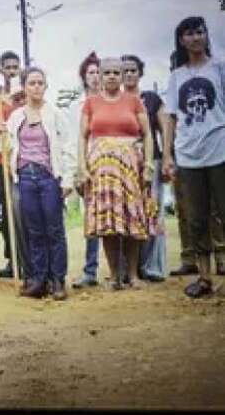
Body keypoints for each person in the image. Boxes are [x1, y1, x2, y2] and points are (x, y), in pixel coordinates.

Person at [77, 58, 155, 290]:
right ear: (99, 76)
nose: (111, 76)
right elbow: (82, 137)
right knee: (107, 222)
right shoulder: (91, 103)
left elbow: (148, 134)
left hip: (130, 168)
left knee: (131, 218)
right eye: (107, 72)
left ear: (122, 76)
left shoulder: (134, 102)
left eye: (115, 73)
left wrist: (149, 165)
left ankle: (132, 275)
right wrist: (82, 167)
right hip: (101, 171)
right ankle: (114, 276)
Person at [163, 15, 225, 298]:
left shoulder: (219, 66)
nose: (195, 37)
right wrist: (168, 155)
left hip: (219, 148)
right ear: (181, 40)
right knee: (197, 218)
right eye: (189, 33)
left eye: (199, 32)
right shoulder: (177, 76)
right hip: (189, 154)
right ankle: (204, 278)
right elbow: (171, 118)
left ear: (205, 35)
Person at [6, 67, 75, 299]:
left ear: (46, 86)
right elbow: (9, 146)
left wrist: (67, 179)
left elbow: (67, 147)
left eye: (40, 83)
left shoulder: (55, 114)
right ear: (24, 87)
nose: (36, 87)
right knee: (34, 231)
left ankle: (57, 280)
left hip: (48, 177)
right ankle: (39, 279)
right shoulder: (16, 117)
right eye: (31, 83)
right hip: (25, 177)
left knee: (54, 230)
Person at [122, 54, 170, 282]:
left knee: (153, 213)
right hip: (125, 164)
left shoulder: (151, 99)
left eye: (133, 70)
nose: (129, 74)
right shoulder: (116, 101)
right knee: (129, 214)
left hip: (153, 161)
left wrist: (168, 158)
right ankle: (130, 268)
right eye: (125, 71)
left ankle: (153, 266)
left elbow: (165, 128)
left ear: (140, 72)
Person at [0, 51, 29, 280]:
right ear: (1, 70)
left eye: (15, 67)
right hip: (2, 163)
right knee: (7, 213)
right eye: (8, 67)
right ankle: (13, 260)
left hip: (24, 162)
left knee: (24, 212)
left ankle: (29, 261)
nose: (12, 71)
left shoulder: (26, 96)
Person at [69, 52, 103, 288]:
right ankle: (90, 271)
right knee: (91, 220)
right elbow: (74, 139)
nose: (95, 76)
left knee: (115, 217)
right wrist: (78, 171)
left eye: (98, 71)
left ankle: (120, 269)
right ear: (84, 77)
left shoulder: (113, 100)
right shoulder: (77, 106)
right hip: (87, 166)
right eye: (90, 72)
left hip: (112, 164)